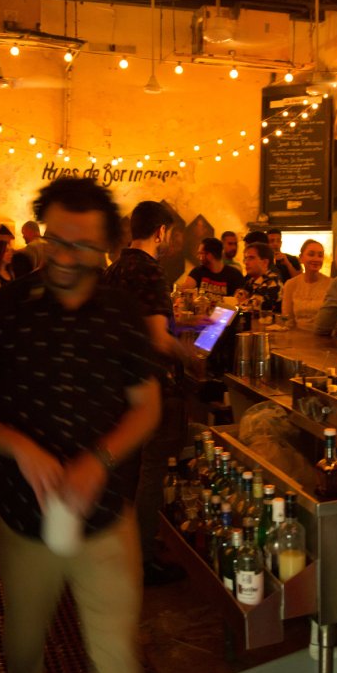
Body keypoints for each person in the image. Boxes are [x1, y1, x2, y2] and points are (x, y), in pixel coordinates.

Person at [0, 177, 160, 673]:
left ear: (104, 248)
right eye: (59, 241)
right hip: (24, 515)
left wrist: (100, 460)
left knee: (114, 654)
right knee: (22, 643)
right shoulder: (5, 311)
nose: (67, 257)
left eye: (84, 245)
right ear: (43, 233)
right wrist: (15, 444)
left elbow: (147, 407)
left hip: (105, 515)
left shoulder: (121, 315)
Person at [102, 200, 189, 587]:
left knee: (125, 472)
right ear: (161, 232)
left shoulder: (116, 268)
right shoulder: (150, 271)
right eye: (169, 233)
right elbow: (158, 338)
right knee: (151, 472)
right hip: (145, 385)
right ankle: (143, 559)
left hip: (115, 383)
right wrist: (193, 356)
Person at [281, 239, 332, 331]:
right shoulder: (291, 285)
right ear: (301, 258)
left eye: (320, 255)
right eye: (311, 254)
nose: (316, 259)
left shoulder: (332, 284)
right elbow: (287, 320)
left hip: (324, 338)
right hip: (296, 339)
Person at [180, 236, 244, 298]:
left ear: (210, 255)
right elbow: (185, 290)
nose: (198, 257)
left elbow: (238, 300)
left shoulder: (235, 275)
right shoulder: (198, 271)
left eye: (201, 253)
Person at [240, 241, 283, 314]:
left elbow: (252, 308)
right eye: (246, 258)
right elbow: (237, 299)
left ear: (265, 262)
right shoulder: (251, 281)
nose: (246, 262)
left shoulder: (272, 282)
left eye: (251, 258)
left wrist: (241, 302)